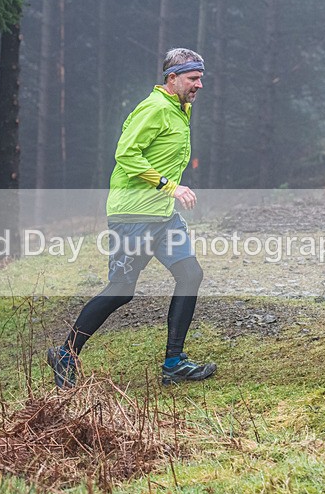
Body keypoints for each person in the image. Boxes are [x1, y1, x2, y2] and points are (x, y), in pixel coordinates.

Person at [46, 48, 216, 388]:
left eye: (200, 78)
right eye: (193, 78)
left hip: (162, 215)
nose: (199, 85)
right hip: (133, 215)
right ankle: (65, 354)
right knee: (121, 290)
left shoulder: (178, 109)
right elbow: (125, 154)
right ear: (172, 79)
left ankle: (174, 362)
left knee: (190, 274)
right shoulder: (154, 108)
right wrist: (170, 186)